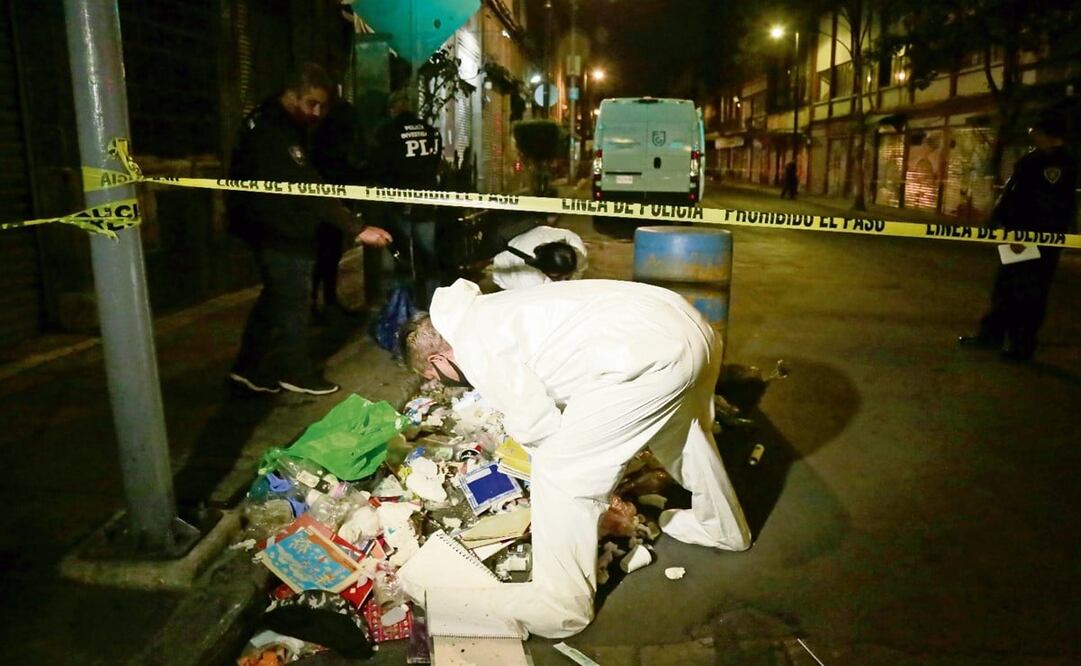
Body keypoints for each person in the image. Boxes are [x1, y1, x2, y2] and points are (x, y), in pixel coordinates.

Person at [401, 279, 751, 638]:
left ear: (439, 358)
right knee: (686, 432)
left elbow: (541, 425)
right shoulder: (489, 311)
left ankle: (561, 607)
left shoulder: (473, 345)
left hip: (651, 359)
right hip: (691, 330)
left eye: (434, 376)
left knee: (561, 474)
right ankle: (721, 526)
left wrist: (551, 473)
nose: (442, 382)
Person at [227, 63, 392, 396]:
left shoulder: (275, 120)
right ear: (291, 94)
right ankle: (295, 371)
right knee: (293, 304)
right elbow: (306, 185)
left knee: (274, 299)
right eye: (311, 103)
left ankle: (248, 367)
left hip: (269, 226)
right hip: (280, 230)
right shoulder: (275, 130)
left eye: (321, 105)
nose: (316, 112)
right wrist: (356, 228)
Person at [958, 109, 1077, 361]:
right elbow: (1014, 194)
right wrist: (998, 219)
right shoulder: (1034, 159)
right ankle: (992, 334)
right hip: (1018, 236)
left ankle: (1021, 345)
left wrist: (1029, 235)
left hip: (1036, 239)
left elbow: (1047, 205)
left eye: (1035, 131)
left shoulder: (1058, 165)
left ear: (1048, 134)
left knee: (1030, 293)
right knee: (1006, 287)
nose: (1031, 135)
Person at [371, 89, 443, 309]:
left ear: (393, 108)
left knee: (400, 256)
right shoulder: (431, 132)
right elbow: (435, 165)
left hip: (397, 203)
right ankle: (433, 306)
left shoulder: (387, 132)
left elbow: (380, 168)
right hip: (426, 202)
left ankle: (403, 308)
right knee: (428, 256)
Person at [310, 99, 366, 324]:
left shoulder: (325, 141)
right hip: (327, 209)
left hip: (334, 206)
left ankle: (327, 301)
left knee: (330, 256)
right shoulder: (328, 145)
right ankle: (317, 303)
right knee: (324, 256)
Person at [491, 225, 588, 290]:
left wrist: (569, 284)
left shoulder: (575, 244)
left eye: (566, 276)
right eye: (559, 277)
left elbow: (578, 273)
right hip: (506, 272)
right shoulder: (527, 280)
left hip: (530, 238)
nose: (563, 279)